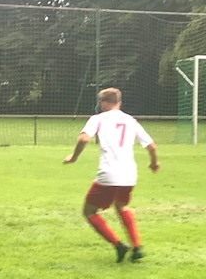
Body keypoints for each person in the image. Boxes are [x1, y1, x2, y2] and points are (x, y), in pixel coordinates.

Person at [63, 87, 160, 263]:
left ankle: (119, 245)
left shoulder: (98, 119)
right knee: (121, 206)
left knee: (89, 211)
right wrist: (154, 163)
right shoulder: (130, 121)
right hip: (129, 174)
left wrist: (74, 157)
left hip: (108, 174)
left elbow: (83, 138)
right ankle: (137, 247)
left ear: (104, 103)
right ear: (119, 102)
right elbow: (152, 146)